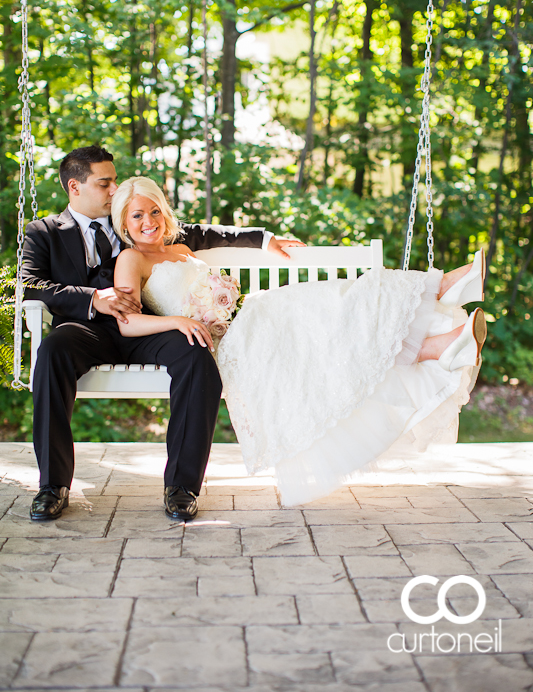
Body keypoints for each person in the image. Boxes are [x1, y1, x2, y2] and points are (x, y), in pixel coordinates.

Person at [112, 176, 488, 507]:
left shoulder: (178, 248)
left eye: (154, 212)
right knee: (329, 311)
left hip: (247, 321)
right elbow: (126, 322)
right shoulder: (131, 259)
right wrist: (177, 320)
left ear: (164, 212)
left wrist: (265, 244)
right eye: (137, 216)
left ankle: (440, 343)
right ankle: (444, 294)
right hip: (226, 342)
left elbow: (215, 246)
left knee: (335, 316)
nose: (149, 222)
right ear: (124, 223)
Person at [22, 145, 304, 522]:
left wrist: (265, 239)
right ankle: (52, 485)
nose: (114, 190)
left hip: (146, 327)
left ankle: (182, 487)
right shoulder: (44, 232)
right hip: (86, 329)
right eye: (105, 183)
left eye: (115, 181)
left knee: (195, 351)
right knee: (53, 351)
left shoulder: (135, 219)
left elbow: (205, 233)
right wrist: (93, 298)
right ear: (75, 187)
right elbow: (30, 286)